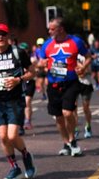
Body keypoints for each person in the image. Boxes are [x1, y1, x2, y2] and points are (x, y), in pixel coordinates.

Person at [0, 24, 36, 179]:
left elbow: (32, 72)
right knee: (3, 137)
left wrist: (18, 80)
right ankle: (15, 168)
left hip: (15, 100)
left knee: (12, 136)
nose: (0, 37)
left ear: (8, 37)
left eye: (3, 34)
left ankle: (26, 156)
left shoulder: (18, 53)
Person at [37, 17, 90, 156]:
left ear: (61, 29)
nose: (49, 31)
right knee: (59, 117)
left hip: (71, 83)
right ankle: (66, 143)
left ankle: (73, 140)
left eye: (52, 29)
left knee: (68, 112)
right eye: (49, 29)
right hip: (53, 84)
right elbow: (41, 61)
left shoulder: (75, 41)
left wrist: (83, 67)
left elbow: (88, 56)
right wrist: (41, 65)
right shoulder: (47, 44)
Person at [76, 54, 94, 138]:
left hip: (86, 83)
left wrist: (82, 70)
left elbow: (88, 71)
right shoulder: (70, 55)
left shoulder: (86, 56)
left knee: (85, 107)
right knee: (73, 107)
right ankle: (75, 128)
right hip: (74, 83)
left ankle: (88, 126)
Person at [20, 42, 36, 132]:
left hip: (30, 82)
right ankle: (22, 121)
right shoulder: (18, 59)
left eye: (24, 49)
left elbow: (35, 70)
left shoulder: (32, 59)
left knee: (27, 101)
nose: (23, 51)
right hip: (22, 83)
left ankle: (27, 120)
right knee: (22, 103)